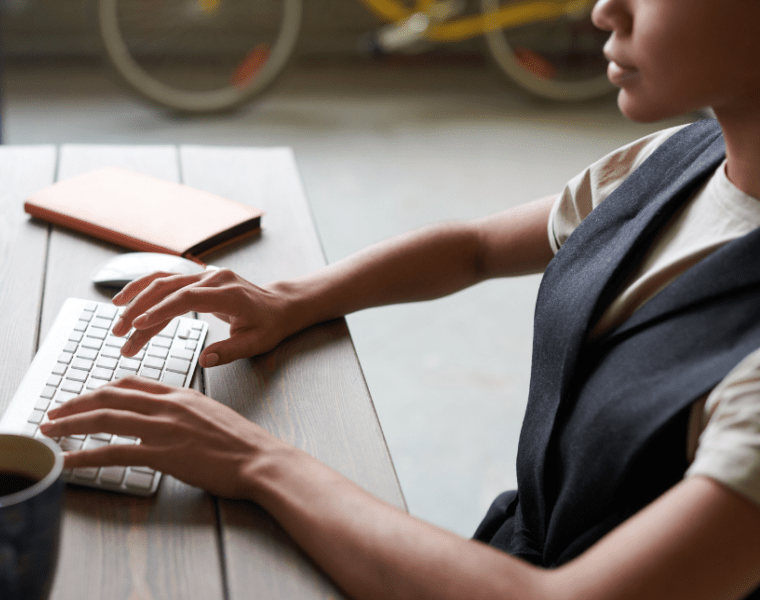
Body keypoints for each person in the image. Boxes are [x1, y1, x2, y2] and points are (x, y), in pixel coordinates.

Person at [40, 0, 760, 598]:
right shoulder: (680, 161)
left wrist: (259, 461)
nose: (606, 9)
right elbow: (476, 247)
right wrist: (292, 297)